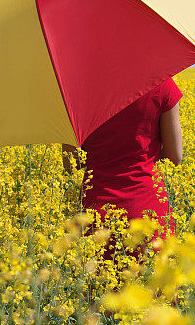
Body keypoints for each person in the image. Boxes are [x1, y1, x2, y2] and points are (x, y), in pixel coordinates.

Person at [62, 76, 183, 266]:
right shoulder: (162, 83)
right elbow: (175, 155)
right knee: (155, 289)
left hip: (97, 211)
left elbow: (71, 164)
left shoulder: (77, 90)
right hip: (148, 209)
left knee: (101, 292)